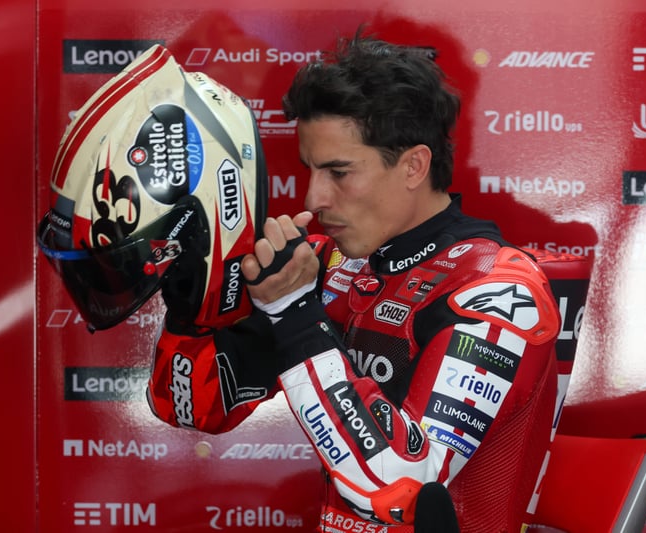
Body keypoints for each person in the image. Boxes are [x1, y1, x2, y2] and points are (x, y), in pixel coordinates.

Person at [147, 31, 562, 532]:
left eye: (339, 173)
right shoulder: (329, 267)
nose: (313, 198)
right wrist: (195, 300)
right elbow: (195, 409)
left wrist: (296, 317)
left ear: (414, 166)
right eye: (310, 171)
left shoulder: (498, 292)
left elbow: (401, 486)